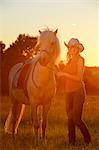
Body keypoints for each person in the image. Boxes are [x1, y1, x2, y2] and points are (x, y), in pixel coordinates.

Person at [57, 38, 91, 145]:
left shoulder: (81, 60)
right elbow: (64, 74)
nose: (72, 50)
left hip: (78, 91)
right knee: (70, 118)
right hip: (69, 92)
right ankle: (71, 142)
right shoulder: (69, 61)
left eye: (74, 47)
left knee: (76, 118)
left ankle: (88, 140)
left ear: (77, 49)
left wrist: (64, 74)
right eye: (70, 48)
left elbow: (78, 78)